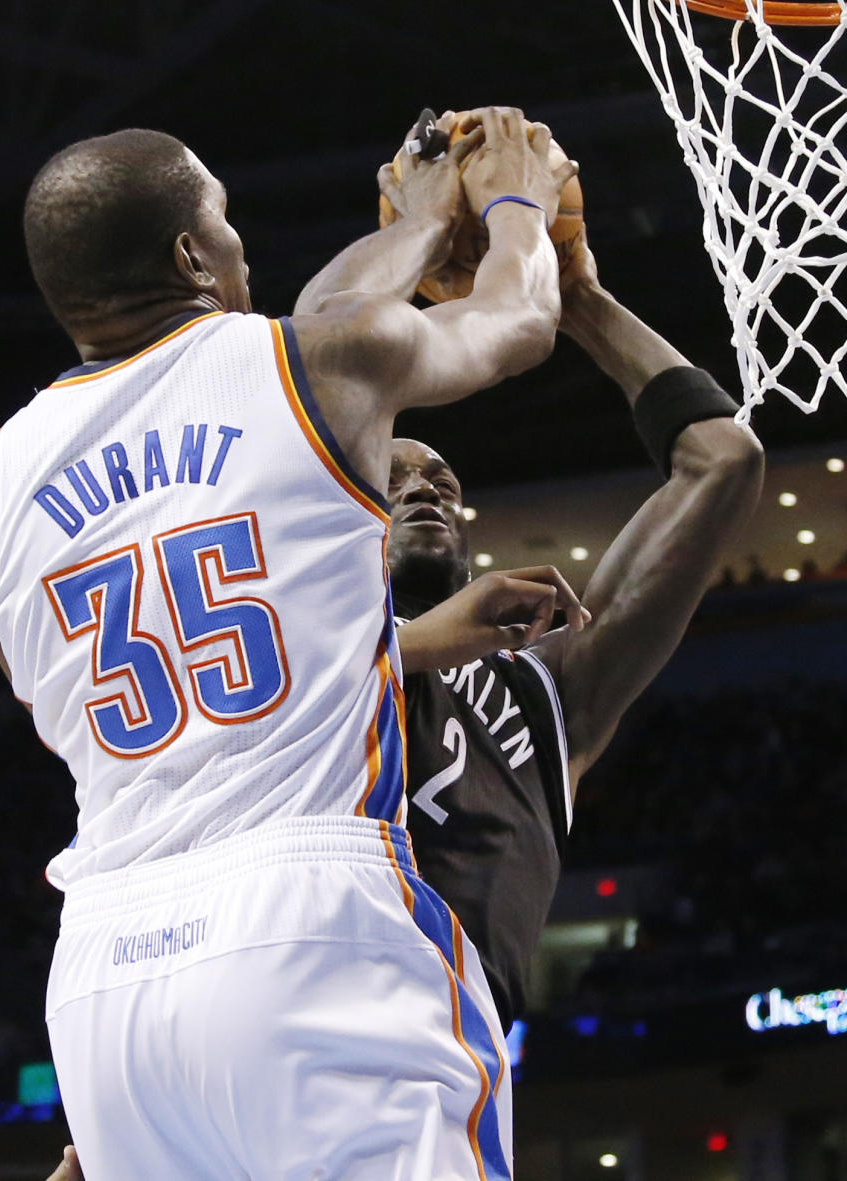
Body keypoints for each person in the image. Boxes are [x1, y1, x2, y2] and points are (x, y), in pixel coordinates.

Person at [0, 113, 583, 1179]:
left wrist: (423, 221)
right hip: (312, 920)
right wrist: (515, 198)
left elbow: (299, 334)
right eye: (225, 224)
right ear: (193, 255)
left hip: (107, 977)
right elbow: (514, 319)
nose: (243, 249)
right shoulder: (320, 366)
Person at [294, 159, 765, 1033]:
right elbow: (307, 360)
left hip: (436, 1047)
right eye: (391, 478)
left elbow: (723, 460)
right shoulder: (286, 639)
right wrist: (421, 232)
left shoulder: (550, 687)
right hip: (282, 1010)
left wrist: (579, 297)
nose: (424, 484)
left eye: (440, 477)